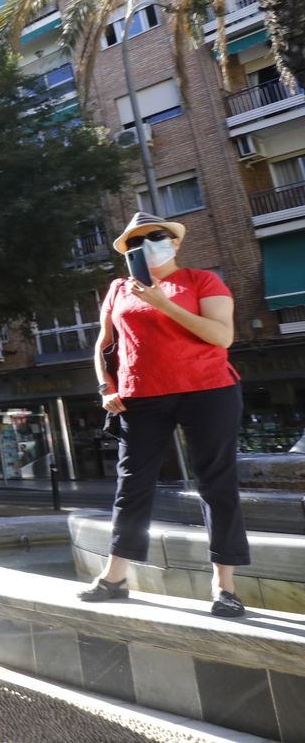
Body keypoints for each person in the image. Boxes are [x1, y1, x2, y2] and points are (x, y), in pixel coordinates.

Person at [84, 212, 250, 617]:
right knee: (132, 483)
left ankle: (224, 586)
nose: (147, 245)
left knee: (216, 483)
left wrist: (162, 303)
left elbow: (222, 336)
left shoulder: (201, 280)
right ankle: (115, 577)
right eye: (136, 241)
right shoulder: (119, 288)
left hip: (208, 389)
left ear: (175, 242)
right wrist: (106, 386)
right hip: (140, 394)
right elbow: (104, 343)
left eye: (156, 236)